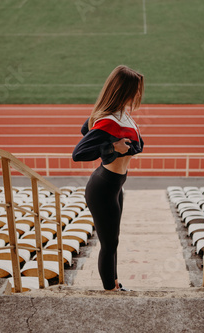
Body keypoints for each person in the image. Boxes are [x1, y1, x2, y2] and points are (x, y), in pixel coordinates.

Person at [72, 65, 144, 291]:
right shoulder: (109, 120)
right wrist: (112, 147)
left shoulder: (122, 113)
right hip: (103, 188)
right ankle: (110, 290)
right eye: (135, 90)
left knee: (114, 241)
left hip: (115, 185)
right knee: (109, 244)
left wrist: (116, 146)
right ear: (123, 90)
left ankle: (114, 283)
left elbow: (87, 127)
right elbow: (79, 153)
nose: (138, 95)